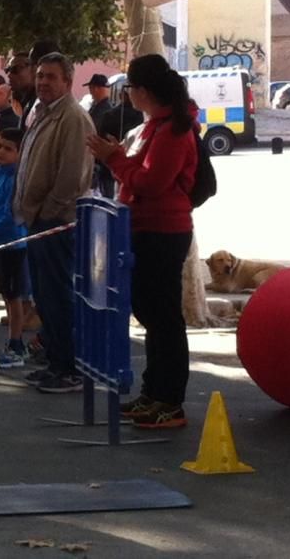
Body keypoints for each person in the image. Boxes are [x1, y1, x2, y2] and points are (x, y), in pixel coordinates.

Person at [87, 54, 198, 429]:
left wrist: (114, 159)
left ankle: (171, 401)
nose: (127, 95)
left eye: (130, 88)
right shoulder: (152, 127)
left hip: (163, 232)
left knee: (164, 317)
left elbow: (151, 182)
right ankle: (154, 391)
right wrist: (119, 156)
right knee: (150, 314)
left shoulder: (174, 131)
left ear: (144, 91)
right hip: (140, 229)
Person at [13, 52, 94, 394]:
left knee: (59, 296)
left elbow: (71, 174)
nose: (43, 82)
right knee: (46, 297)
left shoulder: (72, 118)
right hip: (37, 220)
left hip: (56, 223)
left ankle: (69, 367)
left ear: (67, 82)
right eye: (41, 75)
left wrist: (50, 211)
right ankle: (56, 361)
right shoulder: (43, 113)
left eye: (51, 77)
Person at [0, 127, 28, 368]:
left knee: (14, 297)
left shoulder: (15, 178)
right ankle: (14, 341)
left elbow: (9, 214)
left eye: (8, 149)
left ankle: (16, 343)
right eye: (0, 146)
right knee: (6, 295)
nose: (1, 152)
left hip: (13, 243)